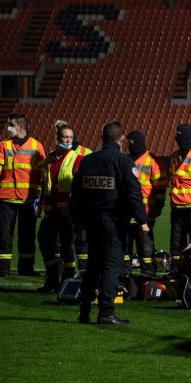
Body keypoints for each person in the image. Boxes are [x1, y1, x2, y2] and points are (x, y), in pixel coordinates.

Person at [70, 120, 149, 325]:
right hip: (113, 222)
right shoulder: (123, 162)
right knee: (112, 266)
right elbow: (133, 194)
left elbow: (76, 194)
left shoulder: (87, 161)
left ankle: (84, 311)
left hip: (91, 221)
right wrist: (142, 220)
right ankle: (106, 312)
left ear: (101, 138)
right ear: (121, 139)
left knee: (93, 266)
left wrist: (77, 220)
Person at [0, 114, 46, 277]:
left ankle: (26, 269)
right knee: (3, 236)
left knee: (27, 236)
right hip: (6, 198)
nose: (8, 128)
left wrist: (38, 196)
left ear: (21, 127)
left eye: (11, 125)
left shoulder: (37, 146)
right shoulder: (3, 145)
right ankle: (2, 270)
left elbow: (42, 174)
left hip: (28, 199)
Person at [36, 121, 90, 292]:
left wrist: (74, 207)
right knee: (45, 243)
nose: (68, 140)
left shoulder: (77, 158)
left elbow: (79, 187)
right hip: (50, 212)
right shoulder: (50, 158)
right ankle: (52, 280)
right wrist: (40, 204)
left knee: (67, 248)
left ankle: (66, 282)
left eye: (70, 137)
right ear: (57, 138)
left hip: (68, 212)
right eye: (65, 137)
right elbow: (46, 183)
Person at [125, 130, 165, 276]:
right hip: (126, 213)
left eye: (132, 143)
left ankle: (148, 274)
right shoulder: (126, 159)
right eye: (128, 143)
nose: (130, 146)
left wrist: (158, 206)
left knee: (146, 247)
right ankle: (125, 276)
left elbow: (160, 185)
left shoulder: (152, 160)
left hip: (145, 213)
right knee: (125, 249)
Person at [168, 124, 191, 274]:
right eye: (177, 136)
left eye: (180, 135)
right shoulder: (175, 155)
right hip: (177, 206)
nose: (178, 139)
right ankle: (177, 270)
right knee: (176, 243)